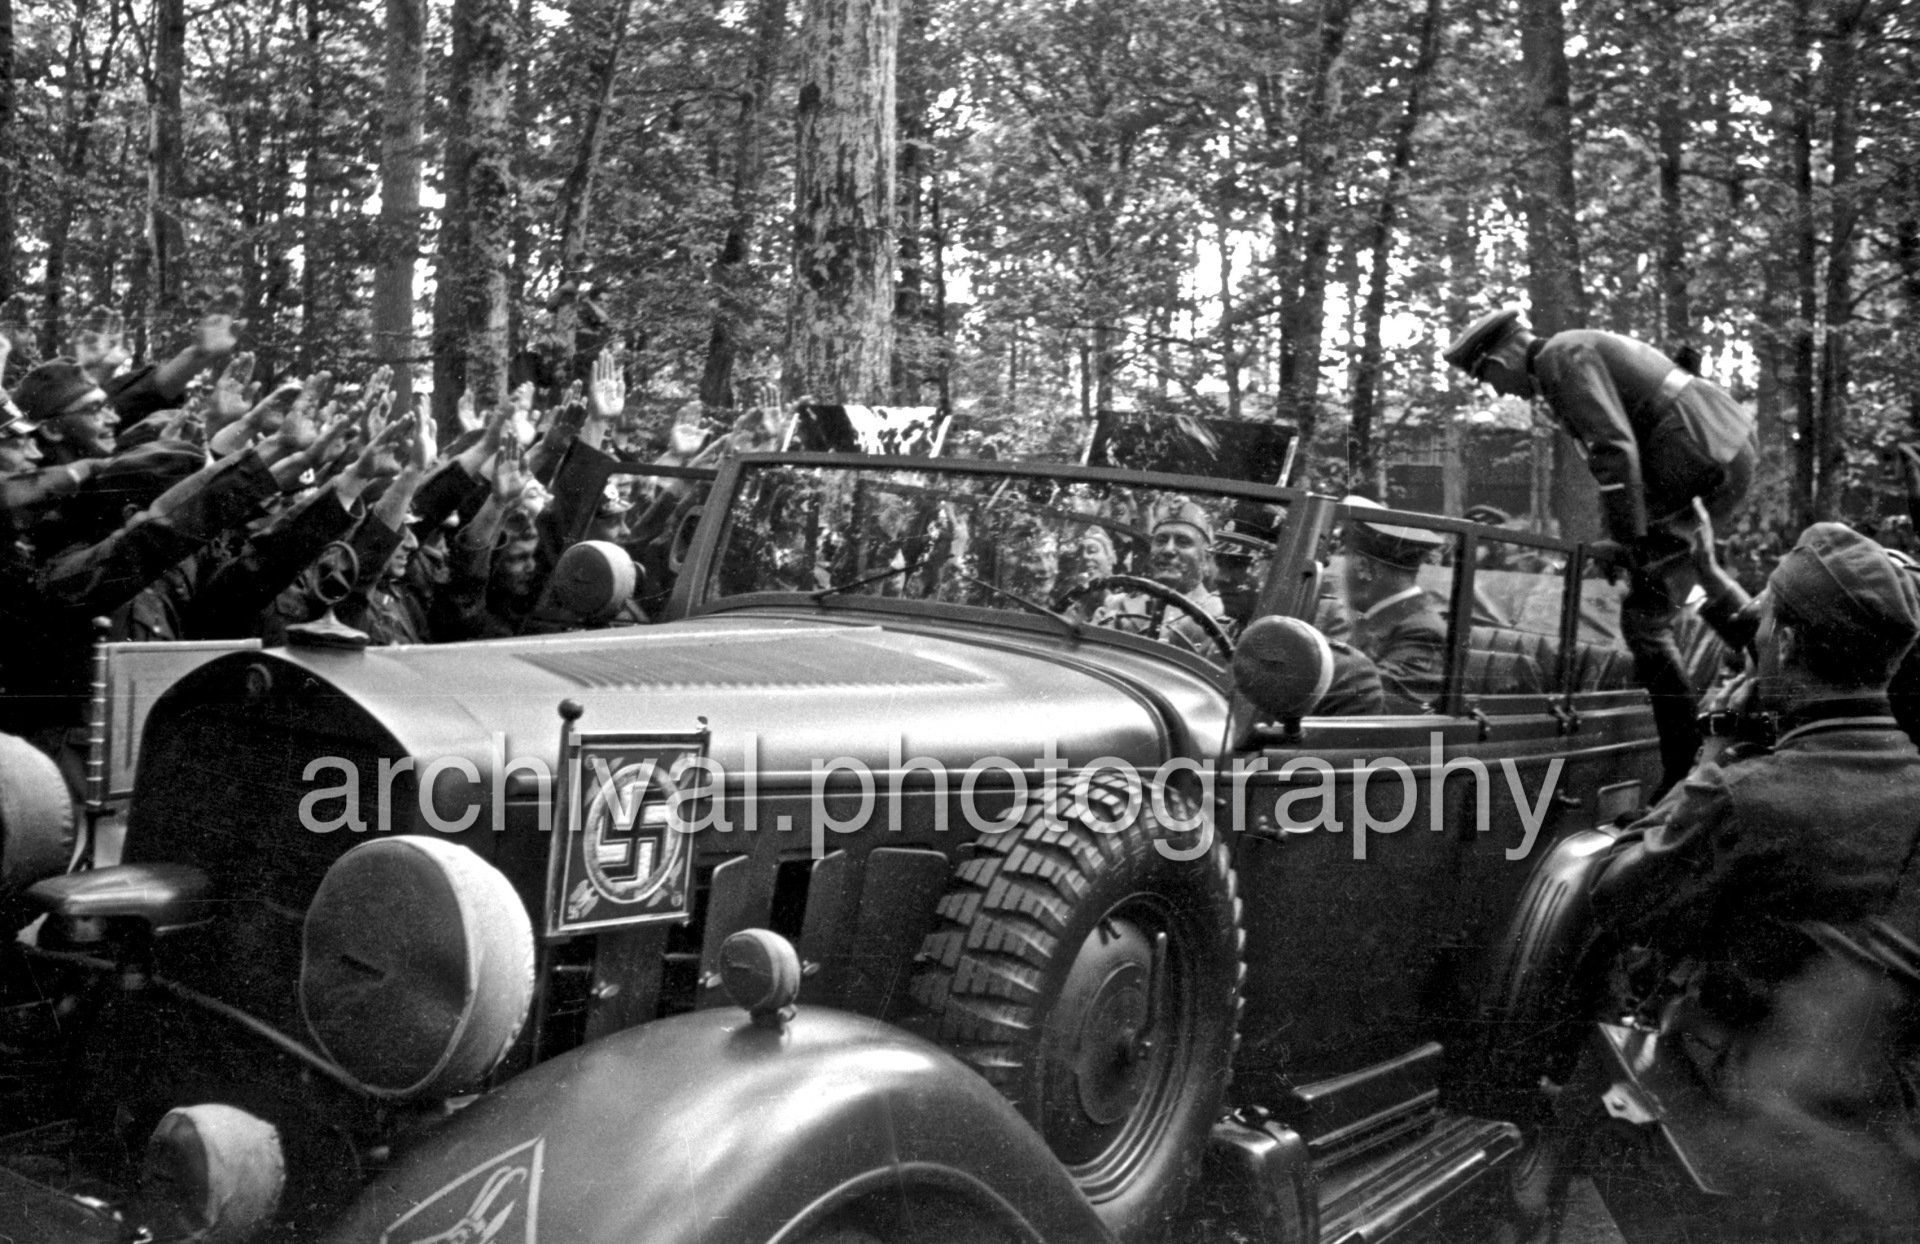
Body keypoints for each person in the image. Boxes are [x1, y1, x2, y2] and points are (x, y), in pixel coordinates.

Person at [1588, 521, 1920, 1237]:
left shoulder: (1746, 795)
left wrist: (1714, 753)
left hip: (1745, 1127)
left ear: (1788, 644)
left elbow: (1616, 895)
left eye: (1765, 620)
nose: (1758, 635)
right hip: (1883, 1137)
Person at [1446, 309, 1757, 790]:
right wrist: (1622, 539)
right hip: (1708, 450)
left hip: (1696, 455)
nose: (1499, 391)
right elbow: (1616, 458)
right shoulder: (1566, 354)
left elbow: (1615, 449)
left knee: (1646, 622)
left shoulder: (1560, 358)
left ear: (1502, 357)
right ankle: (1764, 666)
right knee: (1683, 586)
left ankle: (1682, 767)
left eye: (1488, 377)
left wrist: (1628, 541)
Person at [1340, 496, 1447, 708]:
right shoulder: (1381, 620)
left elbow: (1371, 704)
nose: (1341, 572)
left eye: (1345, 558)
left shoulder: (1423, 632)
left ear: (1363, 567)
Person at [1098, 498, 1234, 655]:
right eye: (1161, 540)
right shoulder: (1118, 605)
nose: (1168, 550)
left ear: (1206, 559)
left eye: (1183, 542)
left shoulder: (1218, 615)